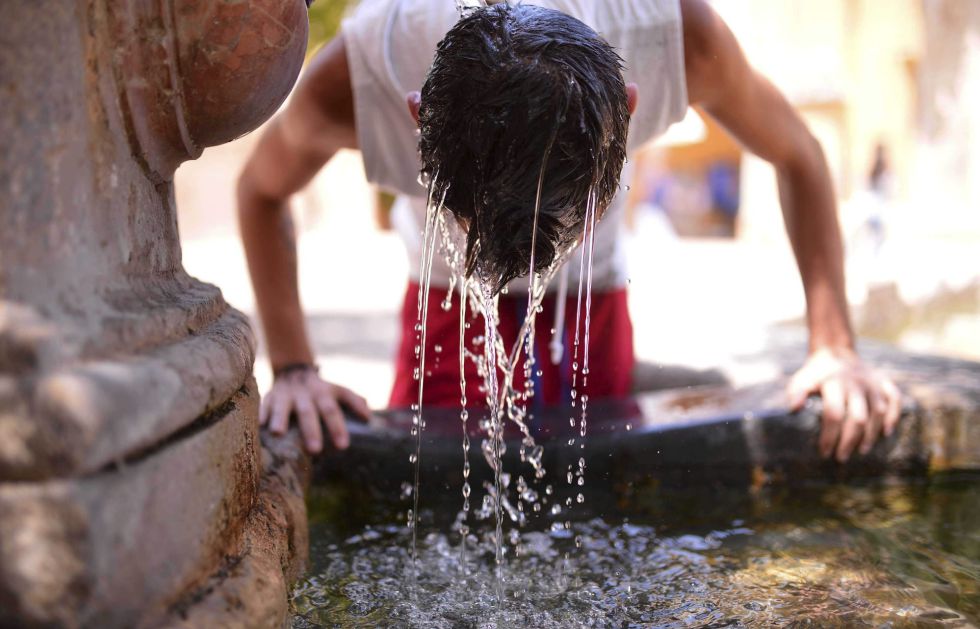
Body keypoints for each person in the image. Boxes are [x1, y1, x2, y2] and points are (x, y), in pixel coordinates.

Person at [237, 0, 901, 463]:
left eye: (570, 219)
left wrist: (834, 344)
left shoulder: (675, 36)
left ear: (629, 109)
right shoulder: (362, 73)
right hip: (452, 305)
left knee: (605, 495)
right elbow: (261, 191)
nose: (531, 261)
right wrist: (295, 366)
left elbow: (800, 155)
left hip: (594, 304)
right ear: (417, 117)